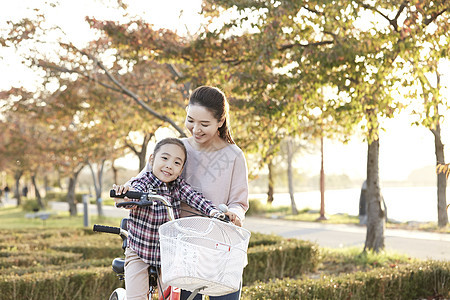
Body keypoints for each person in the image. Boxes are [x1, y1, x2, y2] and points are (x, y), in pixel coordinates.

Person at [126, 85, 249, 300]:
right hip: (181, 250)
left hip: (218, 247)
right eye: (191, 120)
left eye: (204, 124)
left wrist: (235, 213)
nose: (195, 129)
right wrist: (126, 190)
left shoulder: (234, 155)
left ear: (220, 122)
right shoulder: (175, 149)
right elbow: (143, 178)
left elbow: (239, 201)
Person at [113, 137, 237, 300]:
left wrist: (214, 213)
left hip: (167, 255)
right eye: (164, 158)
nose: (169, 165)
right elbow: (131, 199)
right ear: (152, 159)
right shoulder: (142, 182)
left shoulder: (178, 186)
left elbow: (195, 198)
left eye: (177, 163)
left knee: (171, 296)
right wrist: (124, 197)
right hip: (139, 251)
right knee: (136, 297)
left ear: (181, 169)